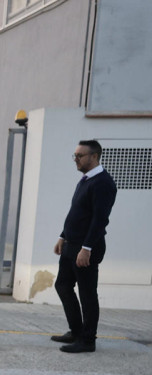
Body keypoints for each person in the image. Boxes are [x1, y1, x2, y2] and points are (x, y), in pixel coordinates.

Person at [52, 139, 117, 353]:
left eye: (80, 156)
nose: (76, 160)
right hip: (72, 245)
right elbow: (76, 212)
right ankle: (76, 331)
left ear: (94, 156)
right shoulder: (85, 180)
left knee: (87, 293)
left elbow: (99, 220)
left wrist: (86, 248)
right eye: (75, 155)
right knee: (62, 285)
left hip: (86, 249)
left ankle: (88, 340)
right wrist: (63, 236)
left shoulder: (103, 183)